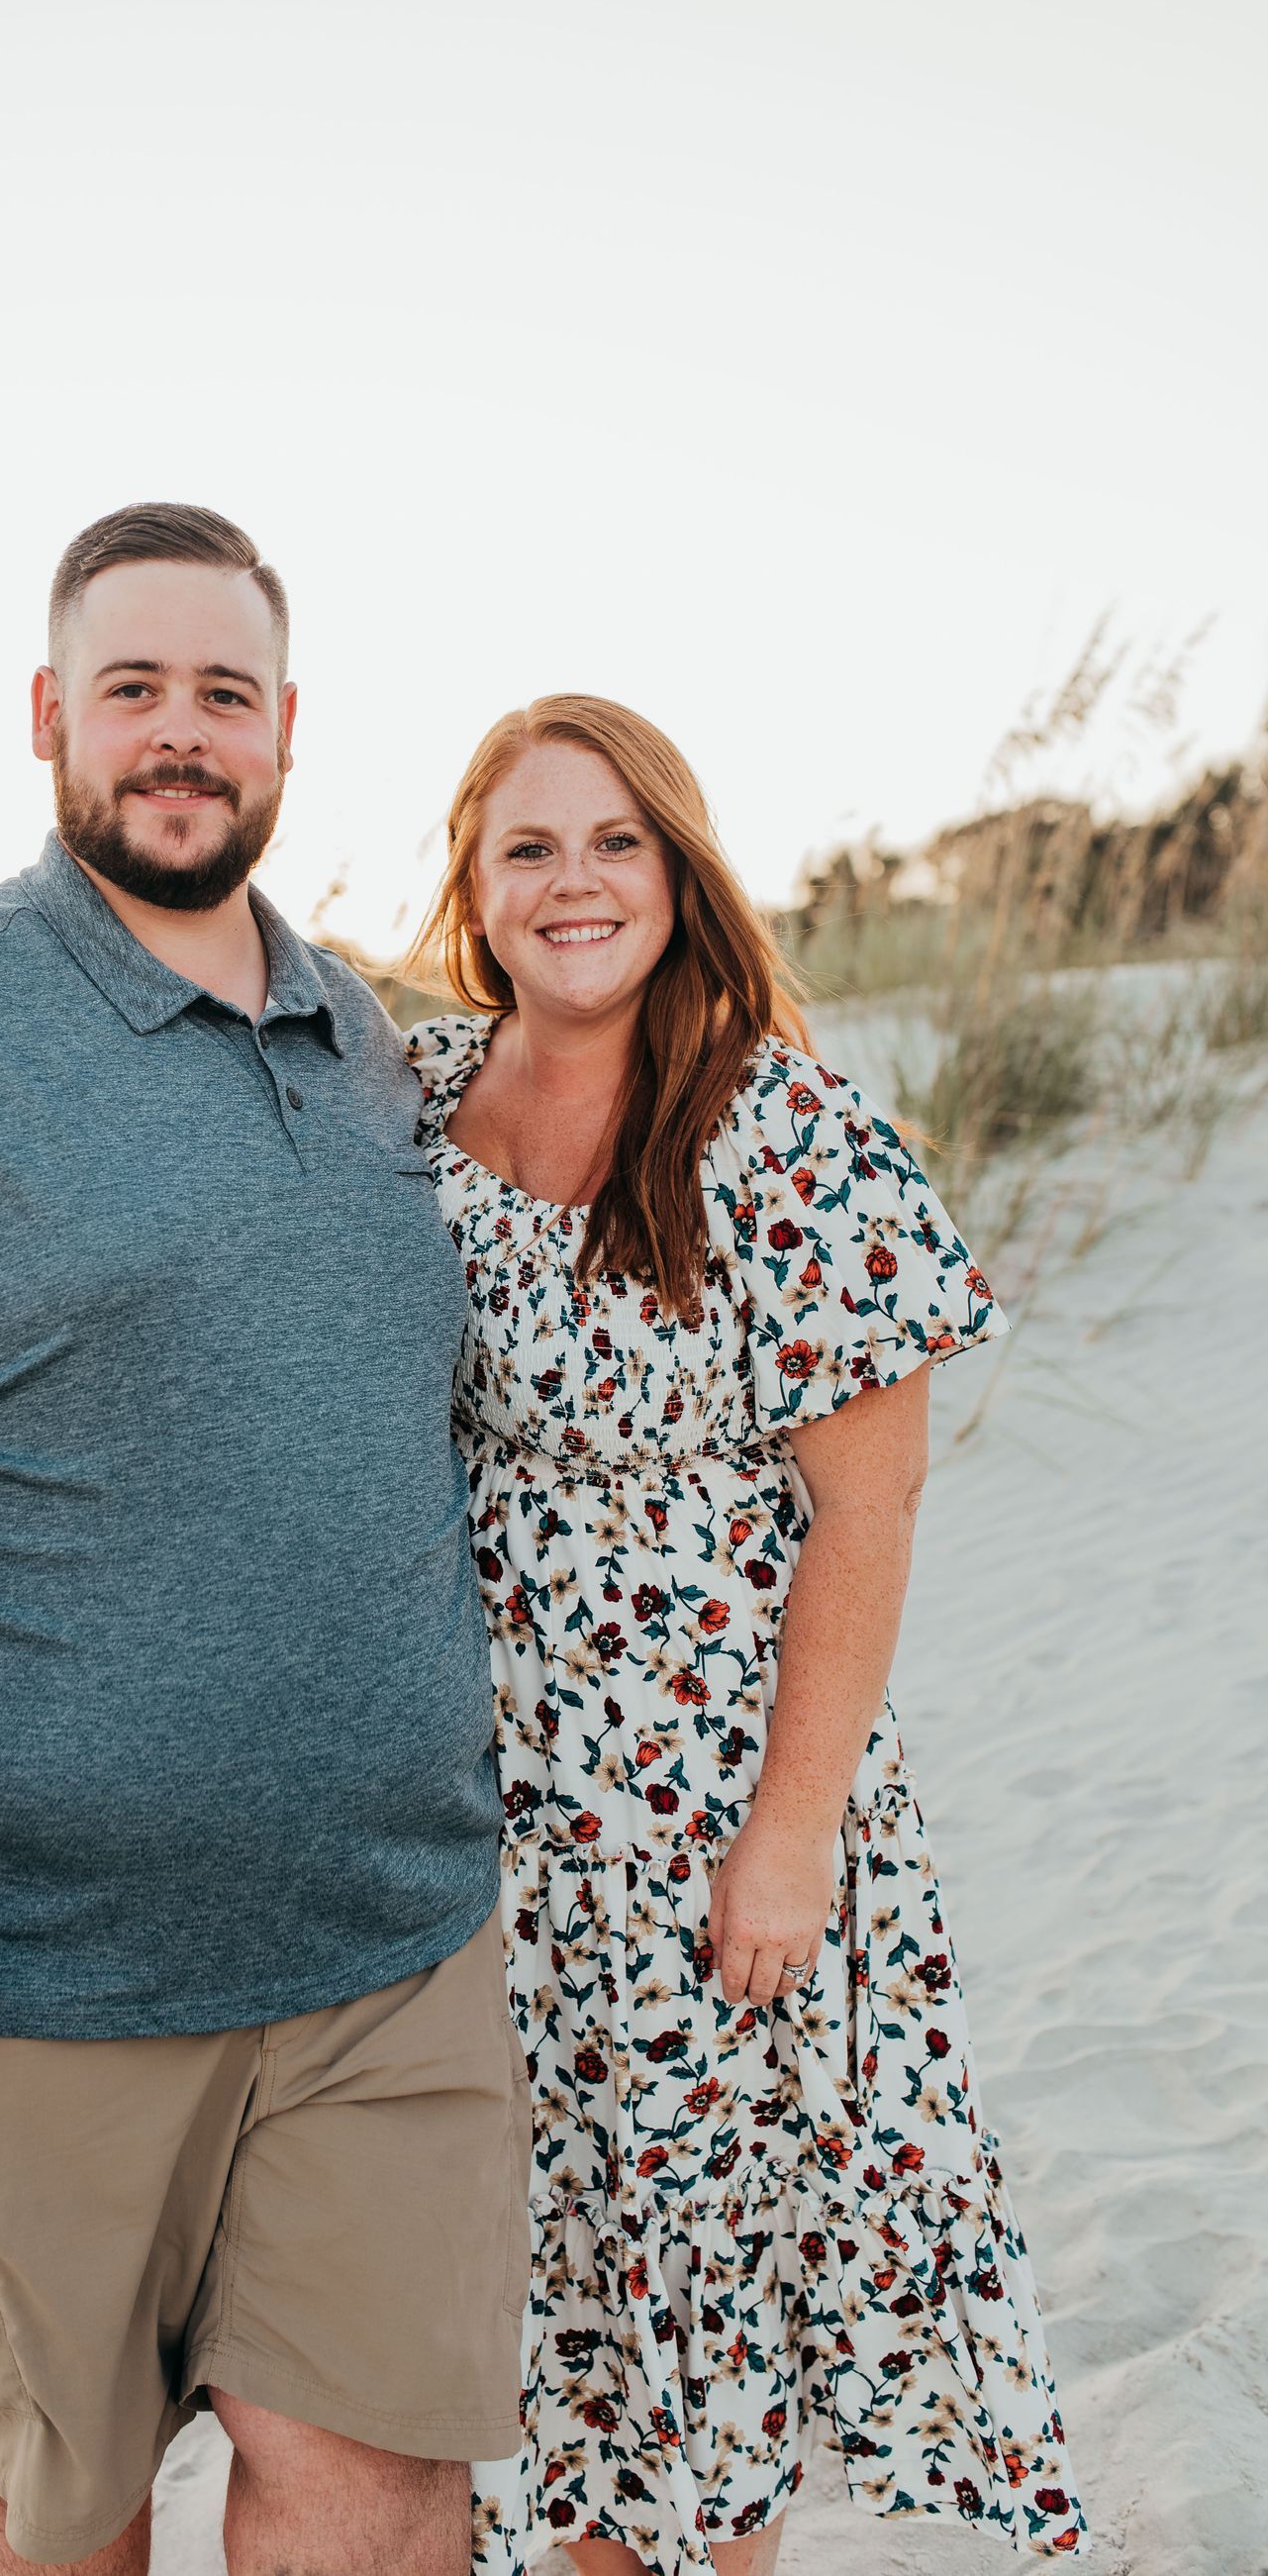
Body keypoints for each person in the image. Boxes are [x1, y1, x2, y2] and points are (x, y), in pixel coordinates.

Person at [0, 503, 530, 2576]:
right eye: (131, 688)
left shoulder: (382, 1051)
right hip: (24, 1975)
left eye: (222, 693)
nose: (178, 732)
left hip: (386, 1951)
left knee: (389, 2485)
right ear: (49, 719)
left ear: (289, 733)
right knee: (53, 2500)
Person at [402, 695, 1087, 2575]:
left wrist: (787, 1845)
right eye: (531, 844)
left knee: (705, 2319)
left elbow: (870, 1512)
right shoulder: (412, 1102)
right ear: (472, 880)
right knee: (556, 2317)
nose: (574, 882)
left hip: (720, 1818)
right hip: (493, 1831)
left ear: (680, 871)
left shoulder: (780, 1124)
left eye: (617, 840)